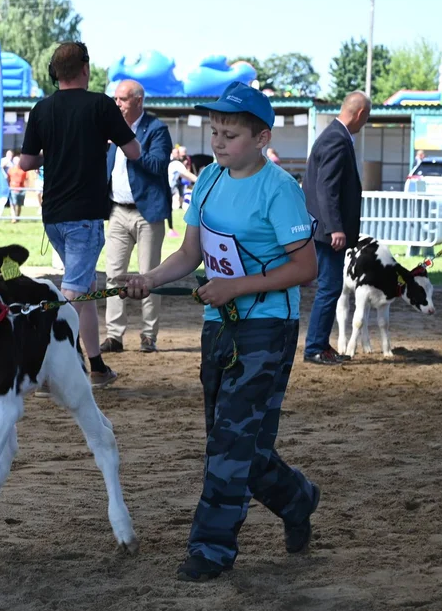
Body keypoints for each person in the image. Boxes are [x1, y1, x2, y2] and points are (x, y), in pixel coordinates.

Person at [118, 81, 319, 582]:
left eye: (229, 134)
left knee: (231, 443)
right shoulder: (207, 181)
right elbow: (190, 255)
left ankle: (210, 549)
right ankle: (297, 498)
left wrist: (237, 288)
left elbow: (306, 267)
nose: (219, 142)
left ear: (261, 137)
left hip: (267, 327)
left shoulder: (281, 190)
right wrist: (149, 279)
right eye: (215, 132)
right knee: (235, 442)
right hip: (219, 328)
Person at [20, 41, 141, 388]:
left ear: (55, 73)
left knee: (85, 288)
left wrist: (53, 155)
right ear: (85, 69)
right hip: (84, 216)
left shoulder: (41, 109)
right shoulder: (101, 105)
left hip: (53, 216)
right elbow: (134, 152)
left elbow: (27, 162)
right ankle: (40, 370)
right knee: (70, 296)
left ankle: (97, 367)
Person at [102, 79, 173, 355]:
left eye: (122, 99)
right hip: (117, 210)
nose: (117, 104)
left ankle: (148, 335)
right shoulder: (109, 129)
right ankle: (114, 336)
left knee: (149, 276)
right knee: (113, 276)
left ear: (138, 101)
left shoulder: (156, 129)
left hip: (148, 213)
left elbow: (157, 165)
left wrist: (128, 146)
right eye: (115, 99)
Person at [302, 91, 372, 365]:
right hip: (326, 231)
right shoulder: (336, 139)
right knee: (330, 288)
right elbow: (326, 187)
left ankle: (320, 344)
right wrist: (335, 228)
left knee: (330, 288)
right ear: (360, 114)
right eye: (366, 118)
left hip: (322, 228)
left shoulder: (333, 135)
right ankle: (315, 348)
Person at [168, 146, 198, 211]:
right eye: (176, 152)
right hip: (168, 186)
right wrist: (199, 180)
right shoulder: (176, 163)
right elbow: (186, 174)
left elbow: (183, 174)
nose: (178, 154)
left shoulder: (169, 161)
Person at [7, 156, 28, 223]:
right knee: (13, 204)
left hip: (21, 189)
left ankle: (17, 217)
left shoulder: (23, 170)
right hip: (13, 188)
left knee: (19, 204)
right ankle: (13, 218)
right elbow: (8, 178)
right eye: (16, 161)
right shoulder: (10, 170)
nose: (17, 162)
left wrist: (26, 187)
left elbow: (26, 179)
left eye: (18, 161)